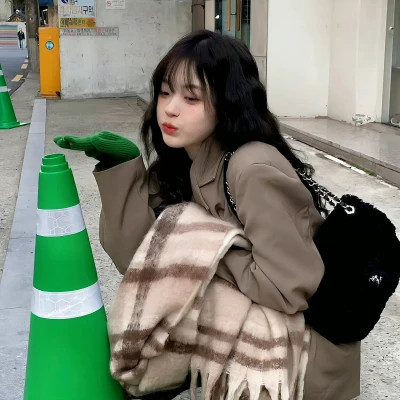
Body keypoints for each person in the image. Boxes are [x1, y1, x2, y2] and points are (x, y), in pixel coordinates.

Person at [54, 30, 360, 400]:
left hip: (299, 349)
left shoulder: (252, 168)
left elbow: (287, 289)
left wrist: (200, 248)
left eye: (191, 98)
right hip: (254, 325)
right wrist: (124, 169)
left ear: (228, 103)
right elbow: (138, 258)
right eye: (165, 93)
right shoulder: (184, 159)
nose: (170, 108)